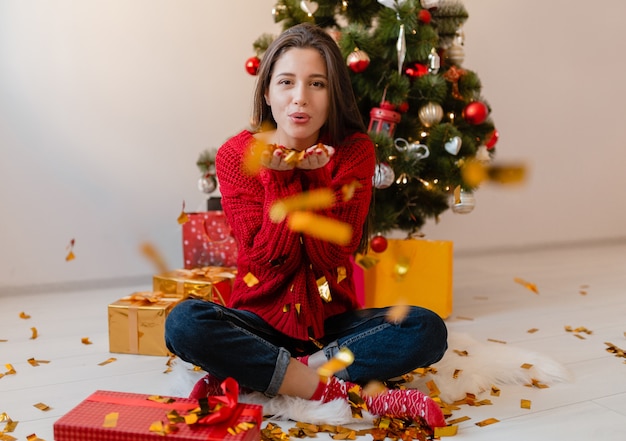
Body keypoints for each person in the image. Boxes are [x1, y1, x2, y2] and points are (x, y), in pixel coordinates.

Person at [165, 22, 448, 428]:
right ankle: (329, 387)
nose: (300, 98)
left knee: (426, 329)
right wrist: (281, 182)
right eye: (286, 82)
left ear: (333, 95)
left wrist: (313, 182)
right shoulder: (236, 155)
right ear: (267, 92)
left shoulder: (354, 152)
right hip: (259, 323)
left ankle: (273, 374)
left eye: (317, 84)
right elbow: (268, 260)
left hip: (332, 328)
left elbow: (332, 255)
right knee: (184, 324)